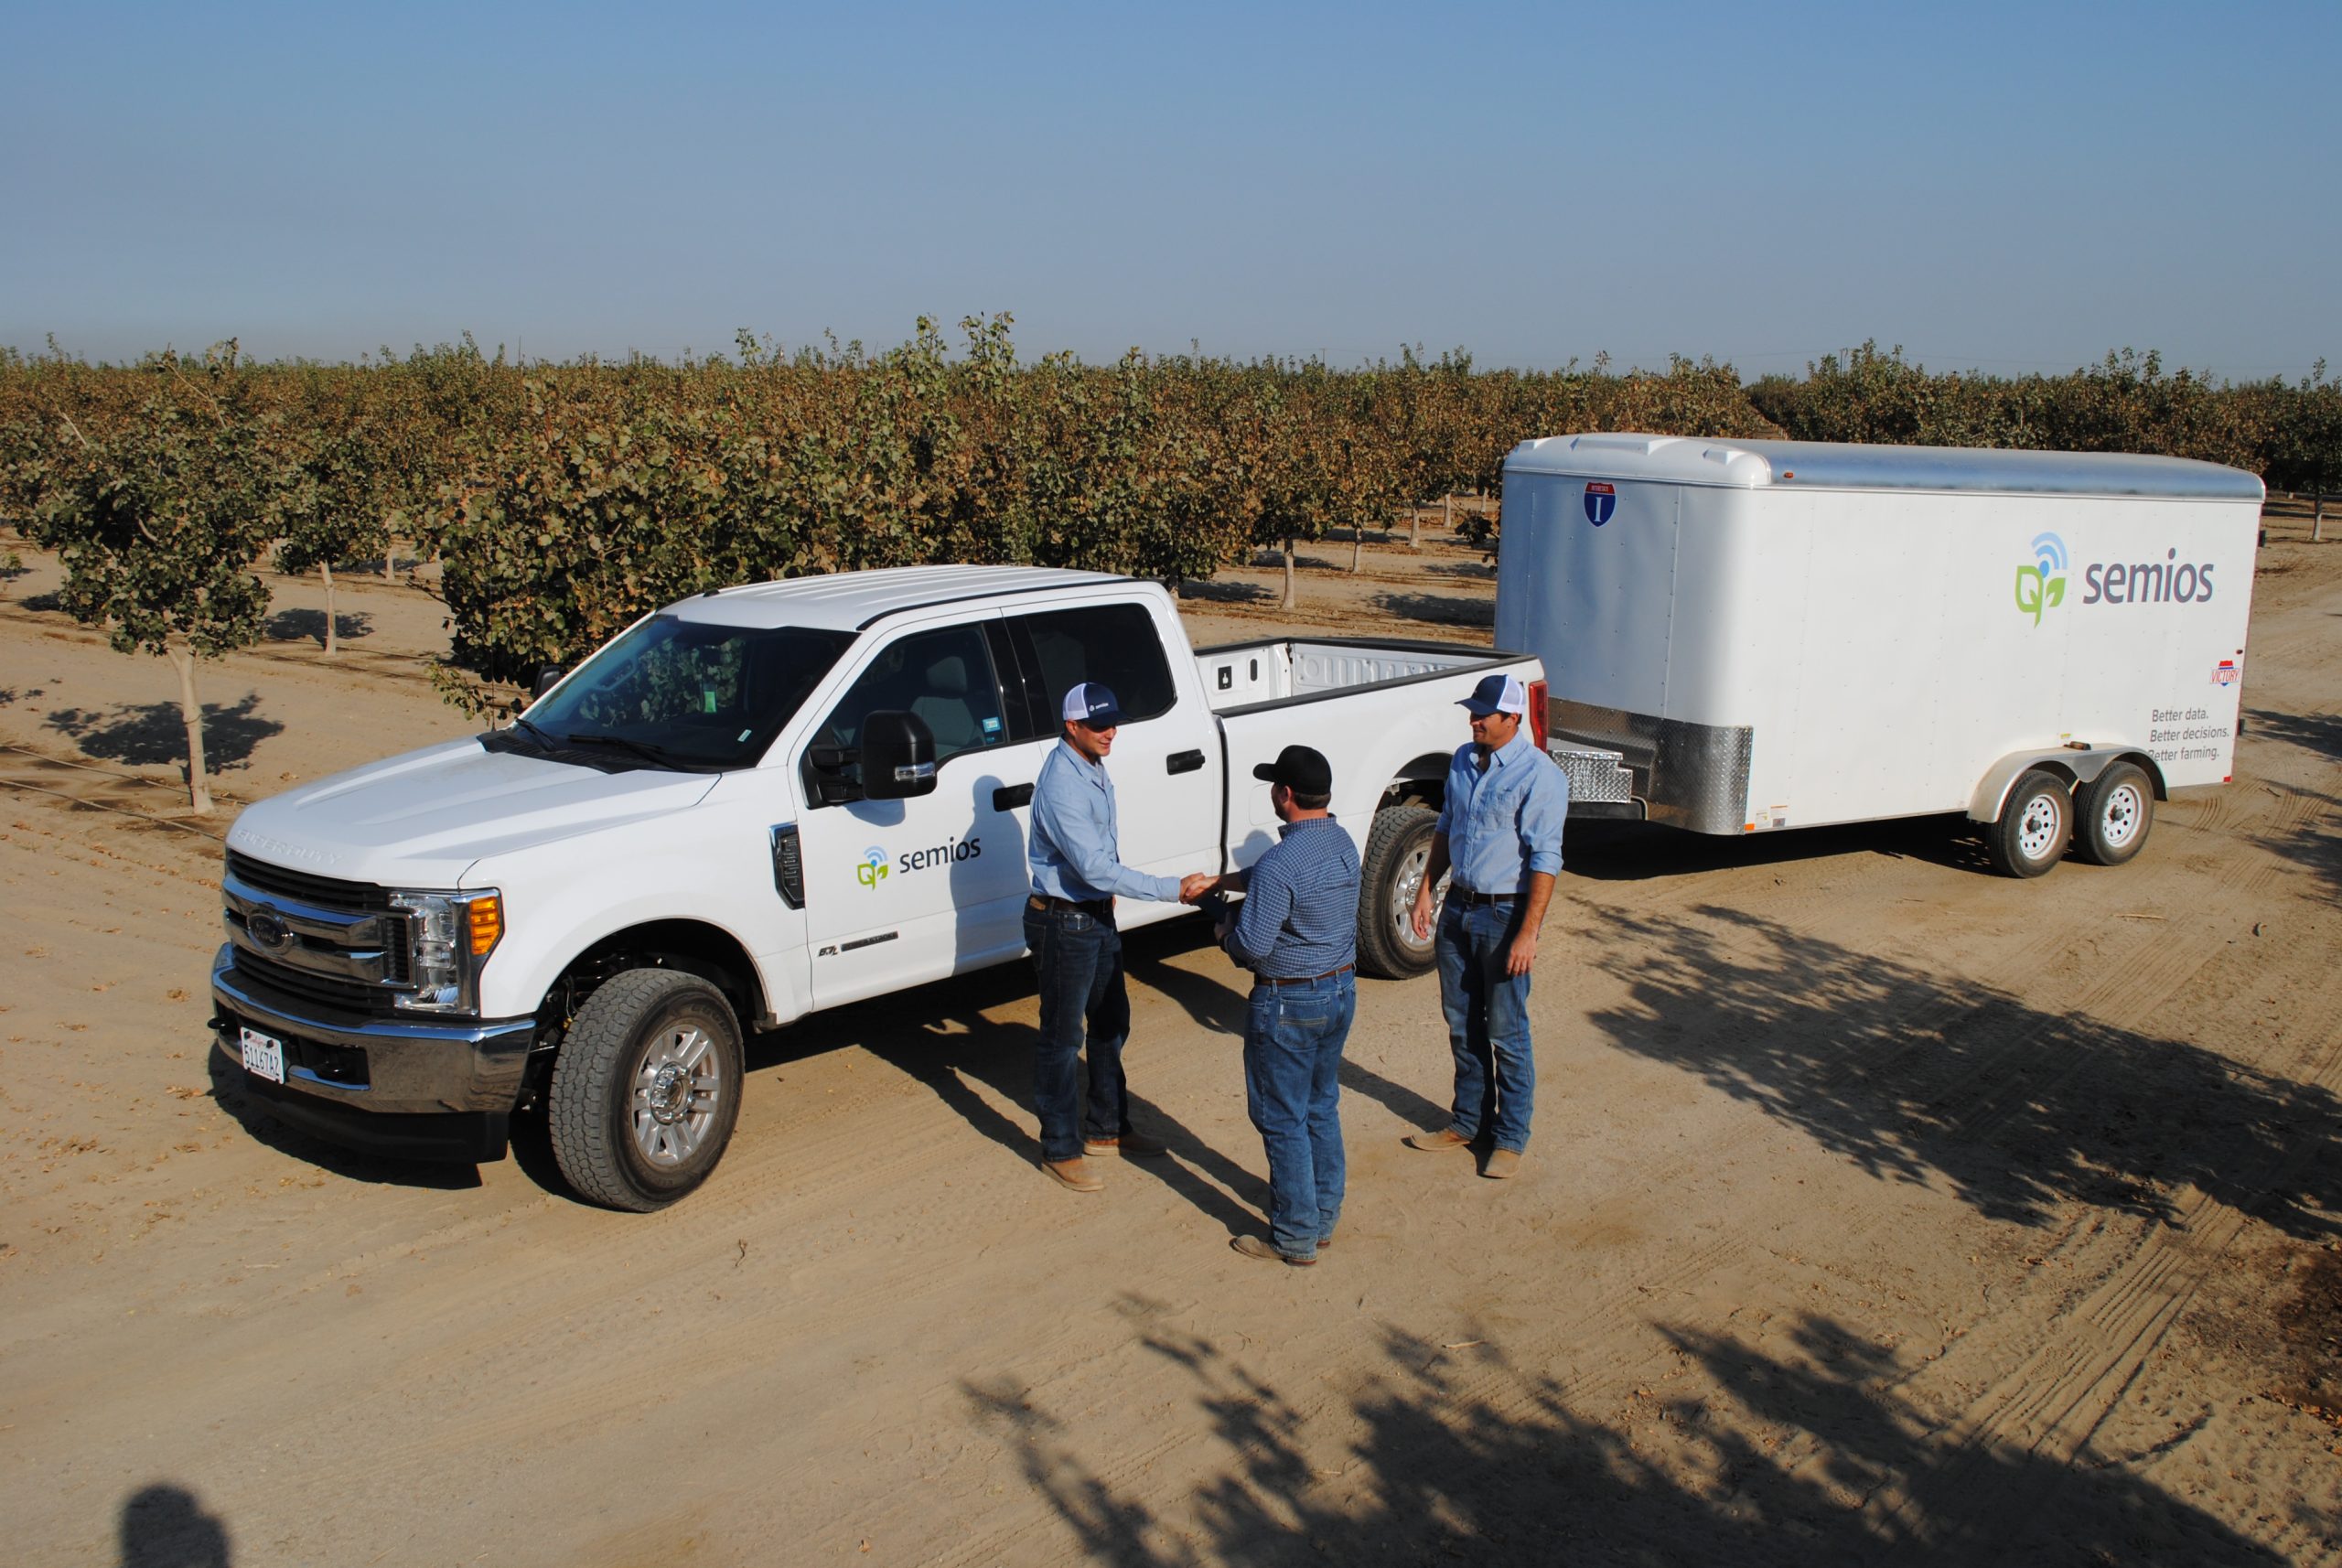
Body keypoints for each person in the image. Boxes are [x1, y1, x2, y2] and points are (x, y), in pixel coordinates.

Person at [1026, 682, 1215, 1193]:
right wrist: (1171, 889)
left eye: (1113, 721)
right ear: (1072, 727)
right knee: (1062, 1041)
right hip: (1065, 923)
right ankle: (1060, 1147)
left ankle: (1108, 1129)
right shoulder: (1062, 786)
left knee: (1111, 1023)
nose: (1111, 732)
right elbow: (1093, 867)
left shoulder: (1088, 764)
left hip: (1093, 917)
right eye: (1099, 724)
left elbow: (1097, 860)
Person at [1404, 672, 1568, 1179]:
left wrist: (1527, 933)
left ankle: (1511, 1137)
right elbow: (1448, 829)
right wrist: (1427, 890)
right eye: (1472, 711)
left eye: (1484, 713)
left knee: (1506, 1030)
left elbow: (1545, 859)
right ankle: (1467, 1122)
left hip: (1504, 916)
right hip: (1459, 909)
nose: (1474, 719)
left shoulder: (1540, 776)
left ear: (1513, 718)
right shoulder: (1461, 760)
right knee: (1461, 1024)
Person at [1213, 745, 1361, 1266]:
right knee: (1321, 1103)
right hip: (1340, 991)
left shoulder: (1279, 865)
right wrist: (1224, 881)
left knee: (1280, 1116)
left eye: (1275, 785)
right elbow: (1280, 880)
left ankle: (1295, 1235)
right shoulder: (1342, 843)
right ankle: (1323, 1213)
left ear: (1286, 795)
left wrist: (1224, 931)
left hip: (1288, 1001)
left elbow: (1252, 944)